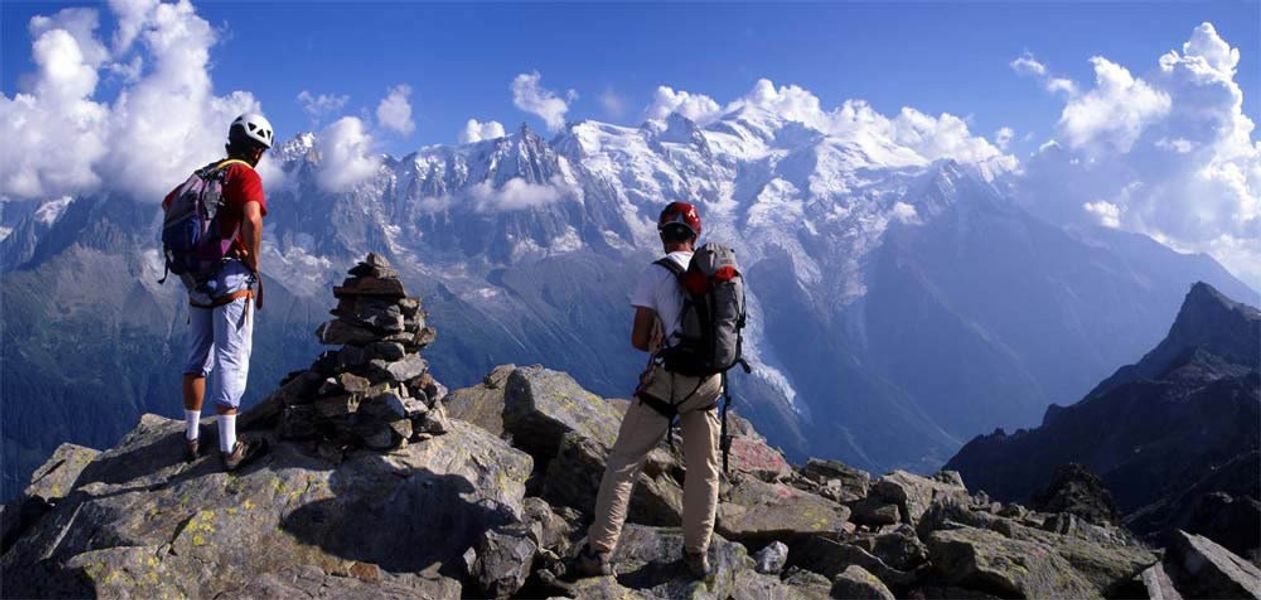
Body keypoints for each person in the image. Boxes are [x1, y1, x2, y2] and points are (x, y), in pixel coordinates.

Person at [576, 201, 724, 578]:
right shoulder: (718, 273)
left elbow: (639, 339)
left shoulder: (655, 274)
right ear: (695, 236)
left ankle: (598, 551)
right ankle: (697, 555)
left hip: (668, 381)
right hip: (708, 382)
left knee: (625, 460)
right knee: (704, 469)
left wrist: (660, 335)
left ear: (663, 235)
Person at [163, 113, 273, 471]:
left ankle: (192, 438)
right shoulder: (245, 174)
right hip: (230, 282)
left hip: (197, 279)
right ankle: (229, 448)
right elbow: (252, 218)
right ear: (257, 151)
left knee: (196, 359)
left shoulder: (206, 174)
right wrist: (252, 262)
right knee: (231, 358)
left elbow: (169, 204)